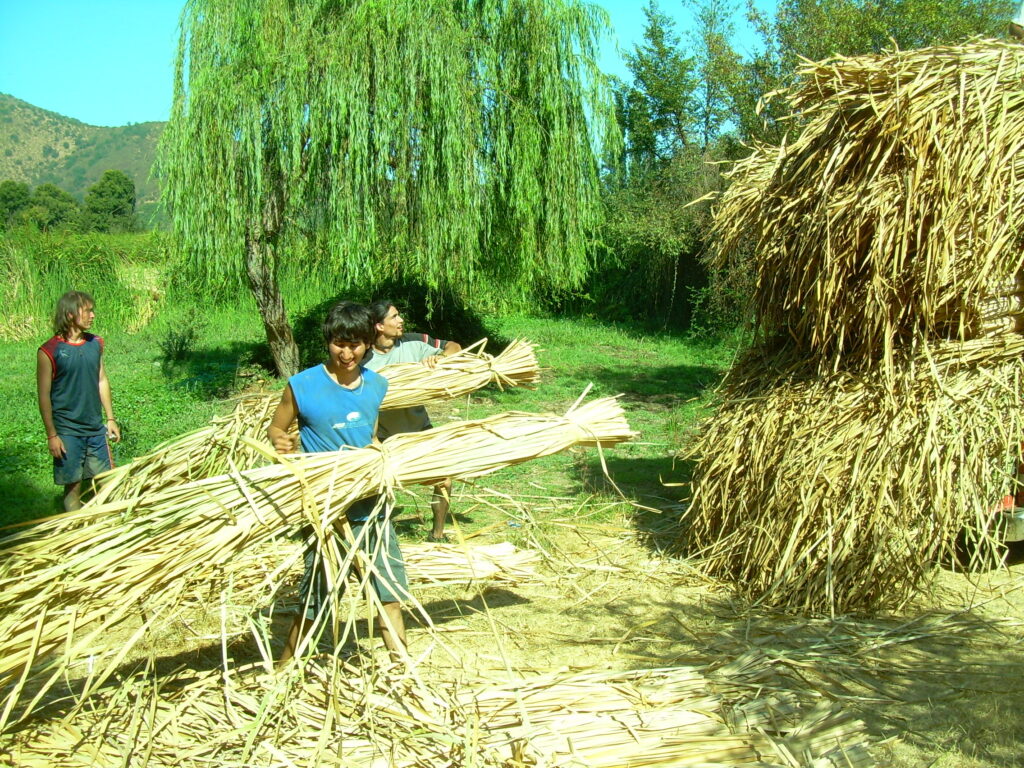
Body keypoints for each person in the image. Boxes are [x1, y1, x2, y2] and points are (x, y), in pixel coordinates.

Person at [268, 301, 409, 664]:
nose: (347, 353)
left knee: (389, 593)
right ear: (328, 341)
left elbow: (371, 436)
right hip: (326, 507)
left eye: (356, 345)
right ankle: (284, 669)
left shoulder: (378, 385)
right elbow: (277, 426)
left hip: (371, 505)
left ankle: (402, 671)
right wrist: (279, 441)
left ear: (368, 343)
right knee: (317, 597)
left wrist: (380, 458)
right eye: (339, 344)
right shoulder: (302, 385)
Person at [365, 299, 462, 542]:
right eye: (394, 317)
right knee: (378, 487)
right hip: (384, 436)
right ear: (379, 325)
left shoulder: (413, 341)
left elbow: (455, 346)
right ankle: (378, 536)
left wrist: (442, 359)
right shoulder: (364, 356)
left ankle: (437, 533)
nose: (401, 321)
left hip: (420, 429)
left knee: (444, 479)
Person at [36, 290, 121, 511]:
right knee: (72, 485)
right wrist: (52, 435)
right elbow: (44, 395)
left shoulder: (95, 343)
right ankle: (73, 530)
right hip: (67, 430)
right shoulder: (49, 351)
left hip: (94, 427)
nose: (92, 315)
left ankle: (107, 525)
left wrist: (110, 418)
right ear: (71, 314)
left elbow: (101, 380)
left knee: (107, 481)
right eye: (88, 311)